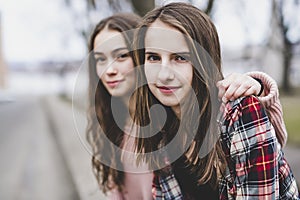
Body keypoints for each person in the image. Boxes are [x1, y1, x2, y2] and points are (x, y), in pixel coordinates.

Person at [86, 11, 289, 200]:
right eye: (153, 57)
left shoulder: (234, 112)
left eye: (180, 57)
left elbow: (269, 143)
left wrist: (260, 88)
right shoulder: (156, 125)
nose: (110, 69)